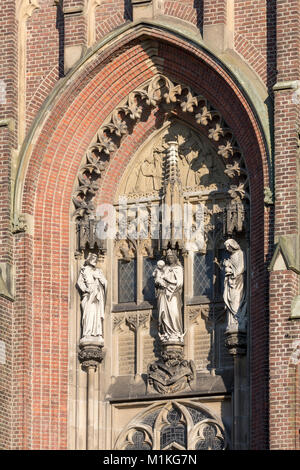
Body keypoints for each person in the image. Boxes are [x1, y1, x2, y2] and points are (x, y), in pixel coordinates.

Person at [154, 250, 184, 343]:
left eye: (172, 257)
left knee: (174, 313)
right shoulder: (164, 268)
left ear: (175, 258)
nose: (170, 259)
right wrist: (158, 281)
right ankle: (167, 333)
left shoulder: (178, 268)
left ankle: (175, 332)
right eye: (168, 257)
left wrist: (168, 281)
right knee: (164, 315)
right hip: (163, 294)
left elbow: (179, 282)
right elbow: (158, 278)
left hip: (174, 294)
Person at [77, 252, 107, 342]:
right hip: (88, 295)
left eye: (96, 259)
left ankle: (97, 333)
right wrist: (86, 289)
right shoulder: (84, 270)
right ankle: (87, 332)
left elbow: (105, 283)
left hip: (97, 295)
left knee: (96, 314)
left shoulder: (98, 271)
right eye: (93, 259)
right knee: (89, 313)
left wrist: (99, 278)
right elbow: (79, 282)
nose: (94, 261)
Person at [223, 239, 247, 332]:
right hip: (231, 282)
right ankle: (232, 321)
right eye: (226, 247)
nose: (228, 249)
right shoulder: (231, 256)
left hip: (238, 282)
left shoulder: (240, 254)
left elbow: (241, 268)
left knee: (236, 300)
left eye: (229, 246)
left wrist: (231, 271)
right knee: (231, 300)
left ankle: (238, 319)